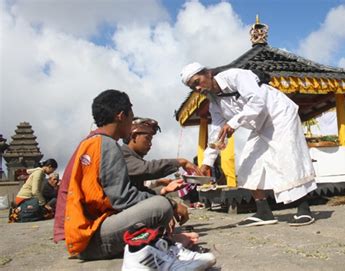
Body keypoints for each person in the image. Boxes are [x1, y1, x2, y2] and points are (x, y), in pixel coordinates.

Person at [53, 89, 215, 270]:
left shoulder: (93, 142)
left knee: (157, 205)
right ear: (121, 116)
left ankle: (161, 244)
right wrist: (171, 204)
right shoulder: (106, 145)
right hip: (89, 240)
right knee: (160, 206)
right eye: (131, 116)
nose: (131, 123)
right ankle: (154, 255)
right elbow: (123, 199)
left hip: (88, 234)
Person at [180, 62, 317, 227]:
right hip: (259, 126)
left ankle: (304, 209)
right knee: (247, 164)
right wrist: (206, 163)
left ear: (208, 73)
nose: (197, 88)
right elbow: (217, 132)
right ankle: (264, 212)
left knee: (288, 159)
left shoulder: (236, 76)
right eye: (192, 87)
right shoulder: (214, 102)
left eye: (197, 81)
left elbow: (257, 102)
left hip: (280, 116)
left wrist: (233, 123)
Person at [121, 116, 202, 247]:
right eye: (147, 138)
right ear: (134, 136)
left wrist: (167, 206)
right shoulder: (122, 155)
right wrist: (180, 162)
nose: (150, 144)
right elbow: (147, 168)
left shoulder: (133, 158)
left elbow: (140, 192)